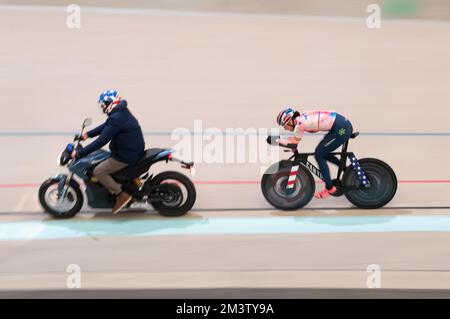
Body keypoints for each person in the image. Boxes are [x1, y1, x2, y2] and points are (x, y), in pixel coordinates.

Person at [71, 90, 145, 213]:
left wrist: (80, 153)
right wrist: (87, 135)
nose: (102, 107)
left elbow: (101, 141)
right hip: (130, 150)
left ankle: (121, 194)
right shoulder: (120, 112)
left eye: (102, 105)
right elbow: (106, 126)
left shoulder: (117, 117)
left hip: (125, 155)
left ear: (109, 103)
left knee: (99, 171)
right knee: (100, 157)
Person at [275, 107, 353, 199]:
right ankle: (348, 171)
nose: (285, 129)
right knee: (322, 152)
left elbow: (293, 143)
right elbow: (294, 143)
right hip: (340, 125)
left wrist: (274, 140)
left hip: (341, 129)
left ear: (289, 121)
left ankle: (330, 188)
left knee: (319, 155)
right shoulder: (301, 117)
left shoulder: (300, 124)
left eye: (284, 126)